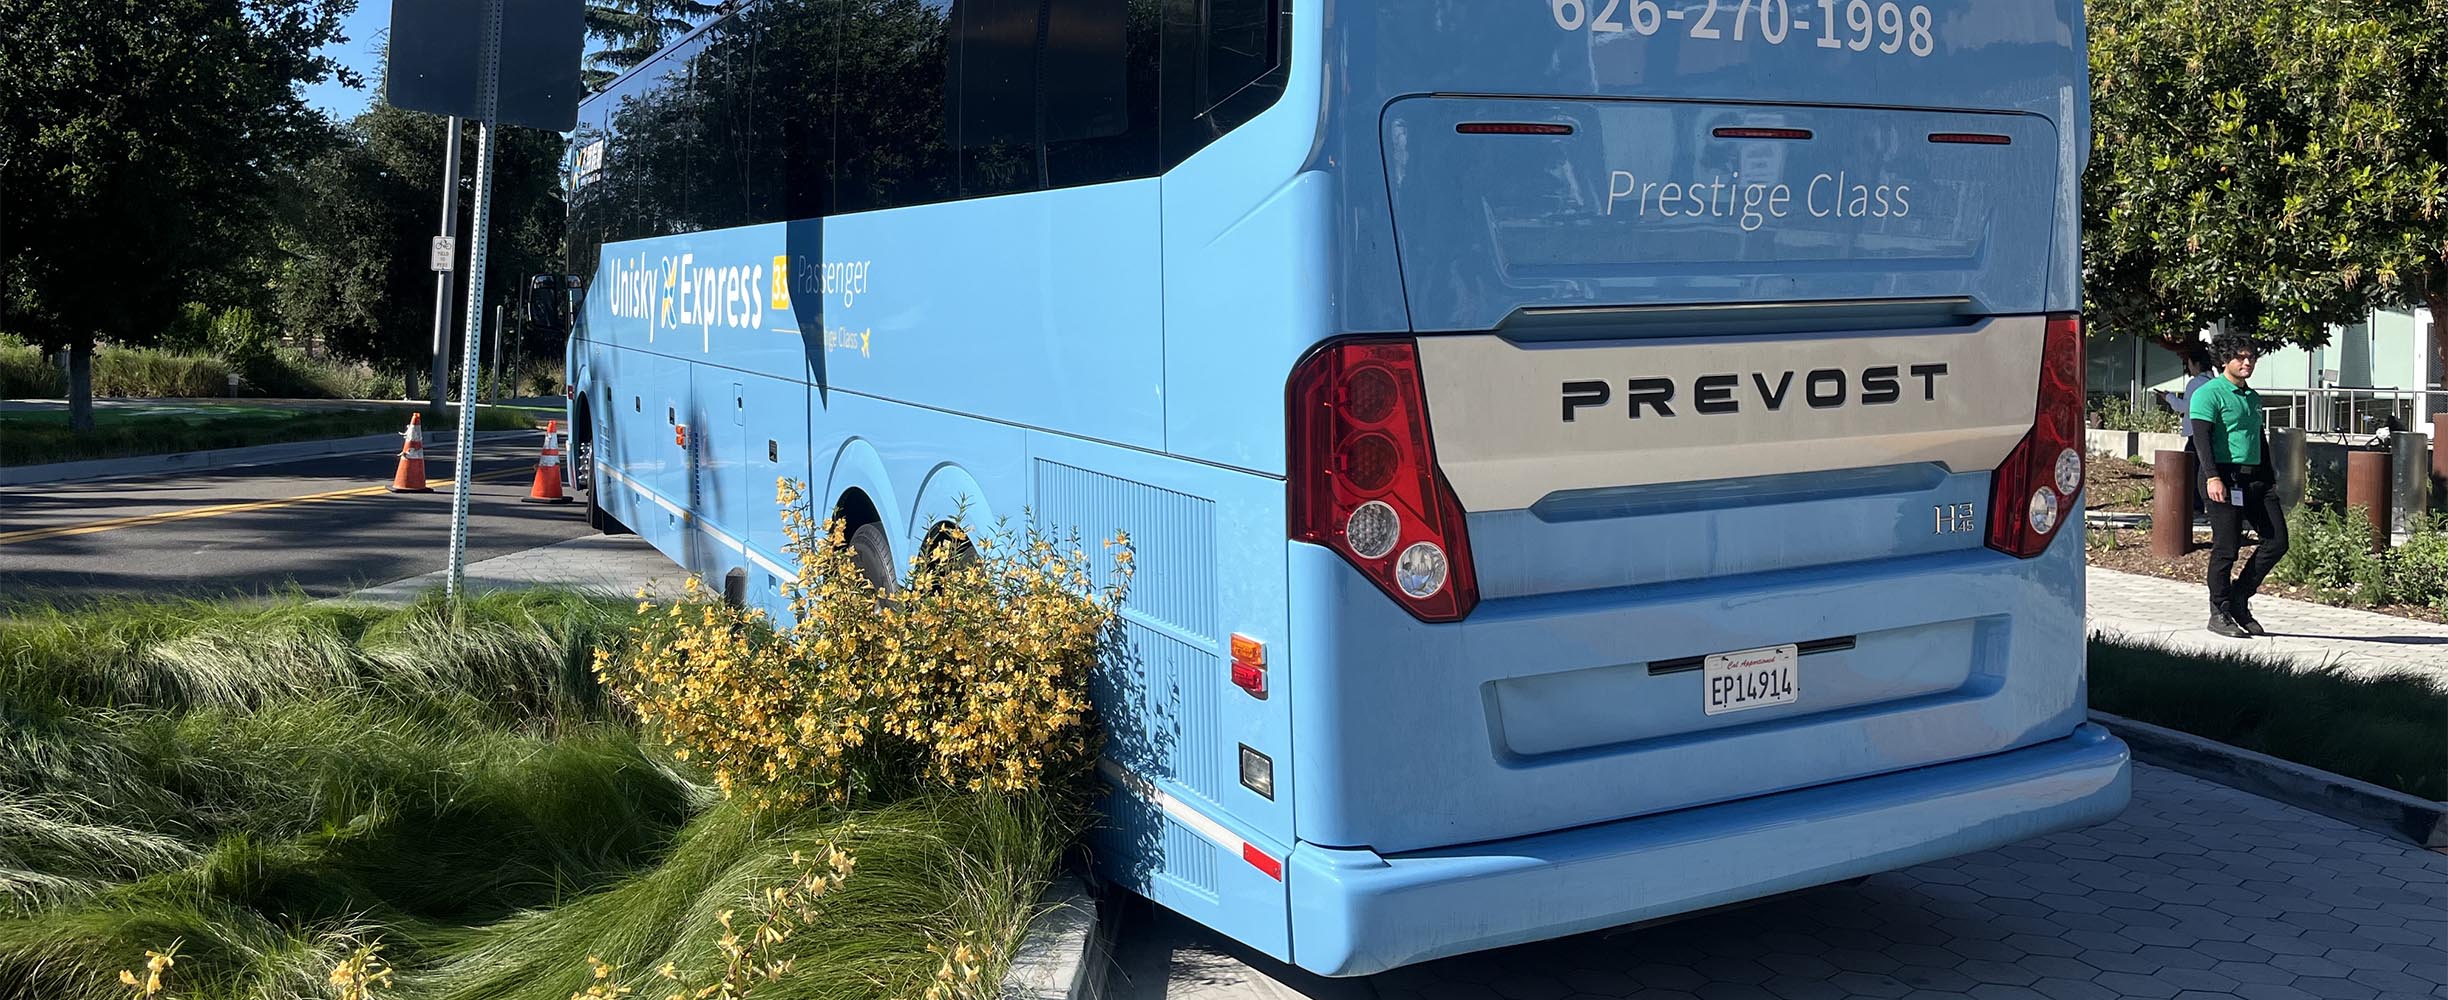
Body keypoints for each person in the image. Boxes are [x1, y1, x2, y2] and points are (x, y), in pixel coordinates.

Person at [2188, 333, 2287, 638]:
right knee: (2227, 547)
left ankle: (2239, 597)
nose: (2247, 363)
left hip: (2255, 477)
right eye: (2240, 357)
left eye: (2251, 357)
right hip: (2222, 476)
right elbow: (2201, 440)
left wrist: (2269, 479)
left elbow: (2259, 439)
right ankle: (2219, 610)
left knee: (2277, 541)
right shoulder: (2208, 393)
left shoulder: (2252, 397)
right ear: (2224, 360)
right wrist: (2213, 477)